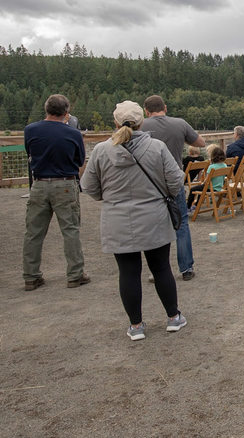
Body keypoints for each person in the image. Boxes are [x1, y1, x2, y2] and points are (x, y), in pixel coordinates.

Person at [80, 100, 185, 341]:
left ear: (115, 123)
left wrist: (111, 198)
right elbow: (175, 181)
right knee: (161, 268)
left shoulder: (101, 150)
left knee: (128, 272)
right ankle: (173, 317)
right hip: (154, 217)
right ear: (141, 122)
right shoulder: (156, 147)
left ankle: (136, 325)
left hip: (117, 219)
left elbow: (90, 188)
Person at [22, 94, 88, 291]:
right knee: (70, 230)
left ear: (46, 109)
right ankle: (75, 275)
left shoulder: (30, 130)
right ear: (66, 112)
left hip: (39, 183)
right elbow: (80, 160)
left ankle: (31, 276)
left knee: (33, 232)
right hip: (65, 183)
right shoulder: (73, 134)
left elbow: (29, 152)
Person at [141, 95, 203, 280]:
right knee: (182, 223)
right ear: (165, 108)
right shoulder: (180, 124)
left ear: (146, 111)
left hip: (150, 183)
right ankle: (186, 269)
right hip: (174, 180)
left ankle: (158, 270)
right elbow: (200, 143)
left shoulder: (141, 126)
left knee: (155, 226)